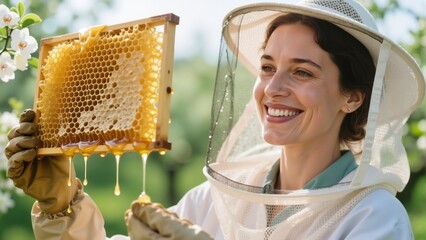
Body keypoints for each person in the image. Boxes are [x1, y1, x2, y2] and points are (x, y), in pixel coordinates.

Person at [5, 0, 425, 239]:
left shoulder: (373, 218)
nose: (273, 88)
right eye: (266, 67)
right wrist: (62, 204)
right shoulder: (217, 198)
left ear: (352, 97)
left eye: (302, 71)